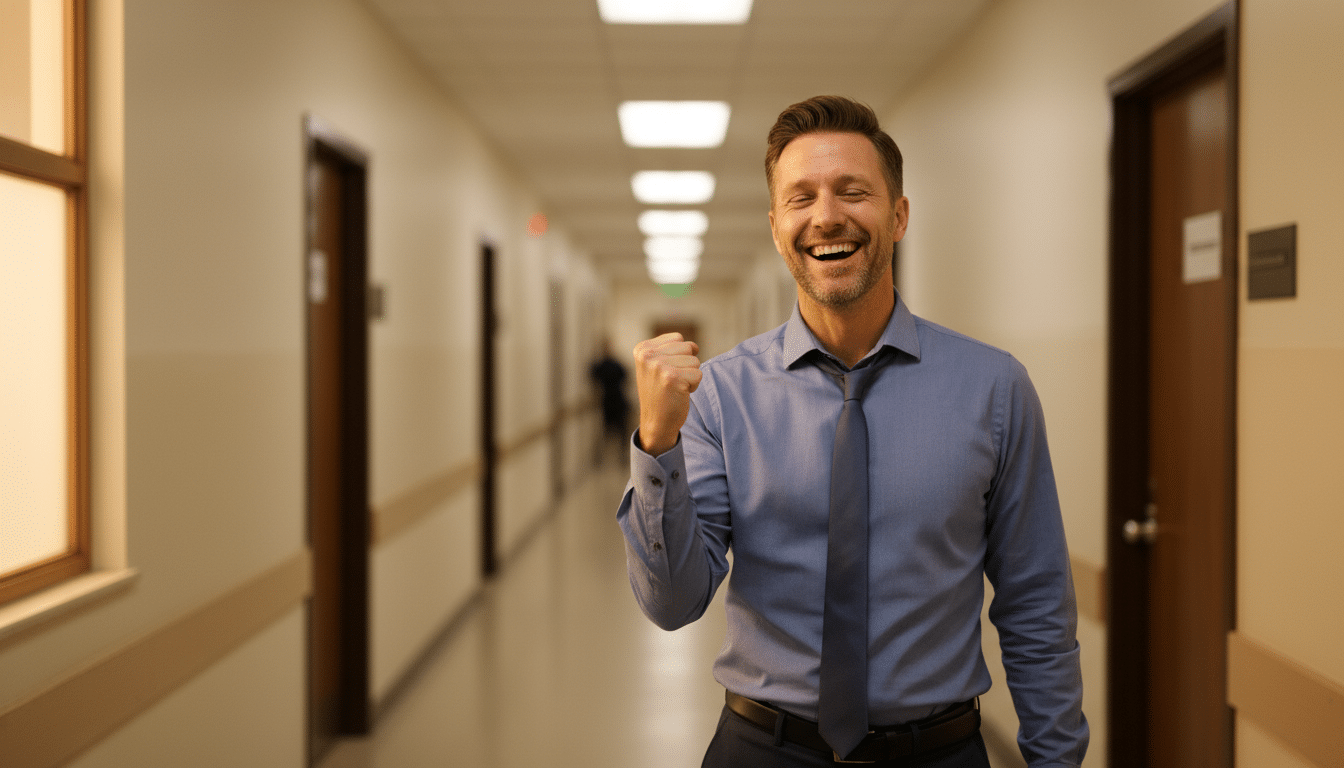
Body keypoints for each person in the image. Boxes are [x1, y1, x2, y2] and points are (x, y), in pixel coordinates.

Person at [617, 95, 1087, 767]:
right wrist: (658, 445)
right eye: (800, 197)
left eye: (853, 191)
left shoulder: (994, 389)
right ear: (777, 224)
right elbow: (673, 603)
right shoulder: (721, 397)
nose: (827, 216)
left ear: (898, 216)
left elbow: (1036, 604)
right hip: (763, 750)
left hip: (940, 752)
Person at [590, 340, 631, 465]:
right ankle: (606, 459)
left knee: (615, 433)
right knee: (611, 433)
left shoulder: (605, 365)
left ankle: (618, 458)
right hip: (611, 403)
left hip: (613, 402)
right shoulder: (612, 365)